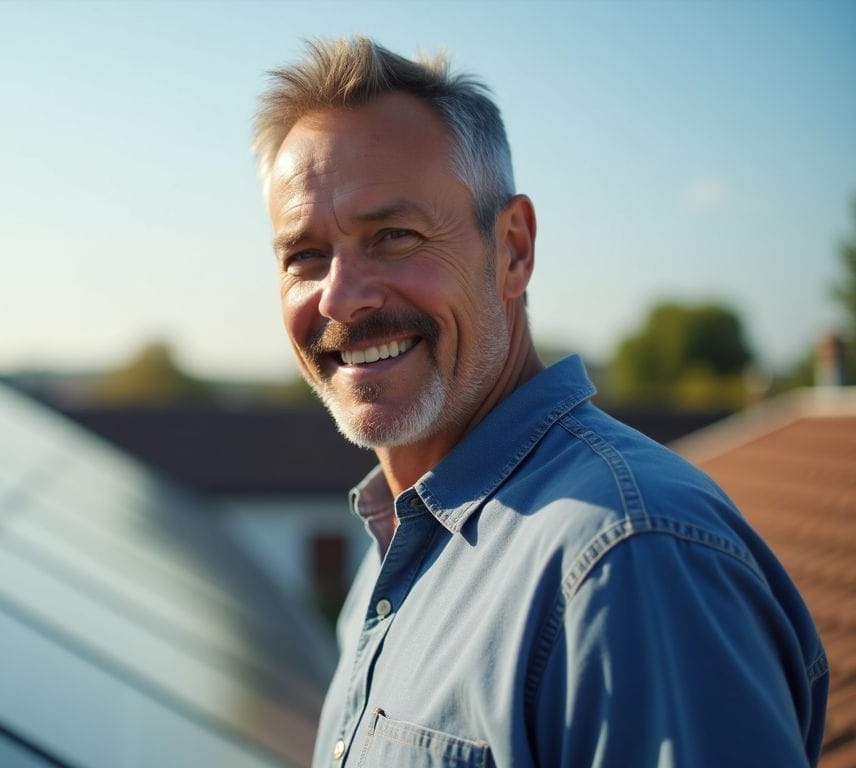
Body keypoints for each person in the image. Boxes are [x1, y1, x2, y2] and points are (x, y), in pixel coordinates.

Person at [252, 37, 827, 767]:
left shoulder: (630, 560)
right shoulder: (399, 549)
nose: (340, 296)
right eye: (304, 256)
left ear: (513, 249)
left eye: (392, 236)